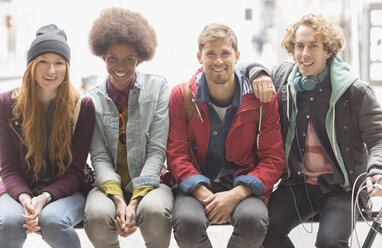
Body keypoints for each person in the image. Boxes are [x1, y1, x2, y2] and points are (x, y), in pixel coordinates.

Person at [242, 13, 382, 247]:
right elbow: (241, 66)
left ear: (328, 51)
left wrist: (375, 169)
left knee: (329, 243)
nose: (304, 54)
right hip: (297, 184)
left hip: (341, 188)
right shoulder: (283, 78)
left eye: (313, 46)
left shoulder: (356, 92)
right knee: (261, 231)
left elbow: (378, 138)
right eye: (299, 46)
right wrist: (259, 73)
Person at [165, 23, 285, 248]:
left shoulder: (262, 99)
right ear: (200, 57)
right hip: (195, 187)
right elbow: (176, 154)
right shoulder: (182, 96)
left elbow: (274, 158)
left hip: (244, 185)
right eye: (210, 53)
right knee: (187, 223)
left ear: (237, 56)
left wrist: (235, 195)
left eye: (225, 53)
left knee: (254, 221)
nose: (218, 61)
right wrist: (205, 196)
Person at [83, 7, 173, 248]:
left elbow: (157, 151)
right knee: (96, 215)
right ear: (103, 57)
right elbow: (99, 157)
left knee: (154, 211)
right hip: (108, 186)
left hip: (152, 182)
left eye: (129, 59)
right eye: (113, 57)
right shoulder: (91, 100)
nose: (119, 66)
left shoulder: (158, 89)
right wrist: (118, 200)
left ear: (140, 59)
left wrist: (134, 201)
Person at [0, 24, 95, 248]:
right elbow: (8, 168)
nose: (51, 70)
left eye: (59, 63)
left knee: (52, 220)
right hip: (19, 189)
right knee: (8, 221)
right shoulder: (6, 104)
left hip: (66, 191)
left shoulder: (82, 106)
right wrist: (25, 198)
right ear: (31, 65)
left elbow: (75, 171)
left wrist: (44, 198)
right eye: (43, 61)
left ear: (67, 67)